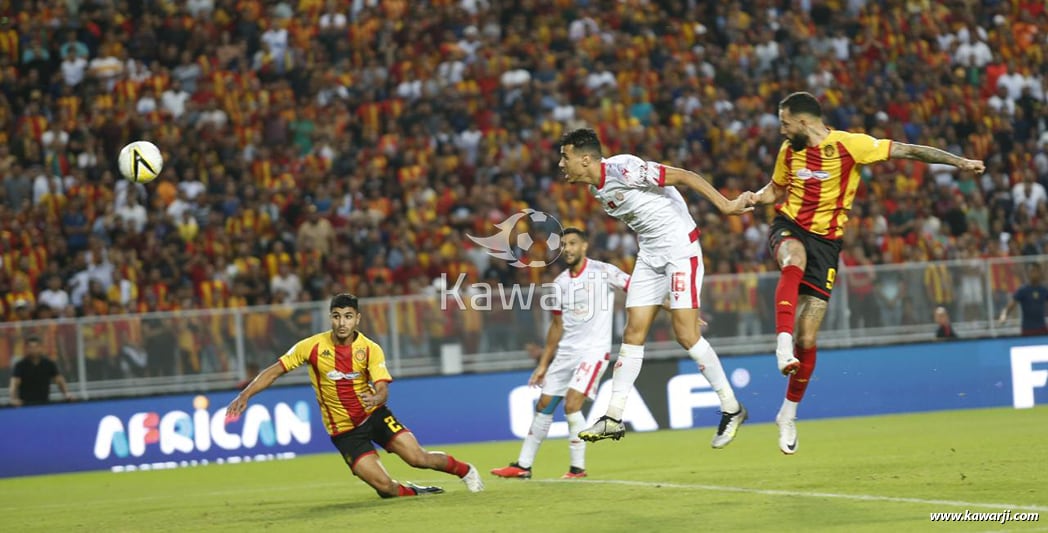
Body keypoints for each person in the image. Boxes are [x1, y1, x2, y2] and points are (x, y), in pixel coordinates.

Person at [747, 91, 985, 455]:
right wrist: (751, 198)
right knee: (792, 260)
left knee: (808, 337)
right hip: (790, 226)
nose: (781, 130)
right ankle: (781, 344)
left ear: (804, 121)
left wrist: (960, 163)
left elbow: (908, 150)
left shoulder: (851, 145)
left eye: (785, 122)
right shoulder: (788, 152)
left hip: (826, 246)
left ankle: (788, 413)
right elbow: (776, 189)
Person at [557, 128, 752, 448]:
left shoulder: (624, 169)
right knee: (632, 332)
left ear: (586, 158)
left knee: (686, 334)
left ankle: (731, 408)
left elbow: (686, 176)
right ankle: (613, 417)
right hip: (650, 256)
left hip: (679, 252)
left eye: (565, 157)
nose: (561, 163)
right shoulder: (597, 189)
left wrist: (726, 205)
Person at [225, 293, 485, 498]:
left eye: (348, 316)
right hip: (344, 431)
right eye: (337, 316)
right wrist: (246, 394)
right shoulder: (311, 346)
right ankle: (413, 491)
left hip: (374, 416)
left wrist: (377, 398)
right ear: (330, 318)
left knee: (418, 458)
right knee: (385, 487)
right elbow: (274, 371)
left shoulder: (370, 349)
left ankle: (466, 471)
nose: (342, 323)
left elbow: (382, 387)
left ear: (357, 319)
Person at [491, 227, 629, 480]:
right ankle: (523, 466)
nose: (567, 249)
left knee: (572, 404)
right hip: (566, 352)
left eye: (573, 243)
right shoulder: (559, 284)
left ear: (584, 246)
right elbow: (556, 327)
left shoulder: (604, 271)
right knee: (544, 404)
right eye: (564, 244)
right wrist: (543, 364)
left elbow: (638, 291)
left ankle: (577, 468)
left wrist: (674, 308)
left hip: (593, 352)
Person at [9, 335, 75, 406]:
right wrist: (13, 399)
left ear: (41, 348)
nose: (34, 350)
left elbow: (59, 380)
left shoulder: (48, 363)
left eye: (36, 347)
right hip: (25, 405)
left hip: (44, 403)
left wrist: (66, 393)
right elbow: (14, 383)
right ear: (26, 349)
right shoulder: (20, 365)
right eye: (30, 347)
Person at [998, 263, 1048, 336]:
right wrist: (1004, 314)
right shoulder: (1023, 290)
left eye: (1036, 271)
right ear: (1028, 273)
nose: (1034, 274)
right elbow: (1011, 305)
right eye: (1032, 271)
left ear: (1040, 273)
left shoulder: (1044, 290)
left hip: (1041, 328)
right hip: (1027, 329)